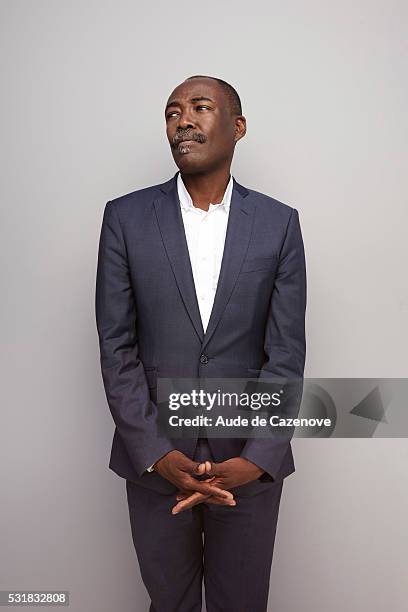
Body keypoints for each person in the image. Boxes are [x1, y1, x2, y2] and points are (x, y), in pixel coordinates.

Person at [95, 74, 307, 612]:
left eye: (200, 107)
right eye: (172, 112)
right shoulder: (124, 218)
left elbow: (285, 355)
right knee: (171, 604)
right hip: (157, 463)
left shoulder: (279, 224)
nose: (182, 120)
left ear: (236, 128)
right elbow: (116, 348)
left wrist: (259, 458)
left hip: (247, 467)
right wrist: (157, 455)